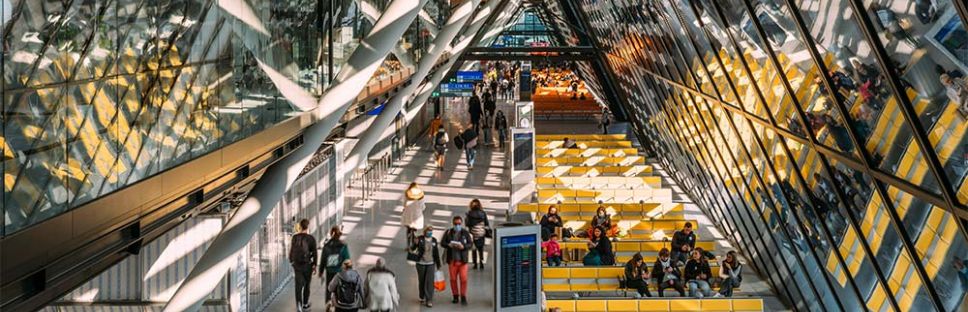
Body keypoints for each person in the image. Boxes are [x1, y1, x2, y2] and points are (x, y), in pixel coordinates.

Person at [441, 216, 473, 305]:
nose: (457, 225)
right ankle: (455, 296)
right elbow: (442, 243)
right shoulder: (448, 232)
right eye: (455, 224)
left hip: (463, 261)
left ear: (461, 224)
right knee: (453, 279)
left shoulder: (465, 233)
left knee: (464, 279)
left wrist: (463, 247)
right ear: (453, 224)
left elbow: (470, 244)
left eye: (459, 224)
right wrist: (449, 245)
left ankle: (463, 296)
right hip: (452, 261)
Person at [289, 218, 317, 312]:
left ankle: (299, 306)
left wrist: (292, 262)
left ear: (300, 227)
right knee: (307, 285)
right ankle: (305, 304)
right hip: (307, 265)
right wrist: (314, 265)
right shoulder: (311, 238)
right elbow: (315, 253)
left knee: (298, 286)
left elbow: (291, 251)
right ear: (308, 227)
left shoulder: (295, 237)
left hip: (297, 265)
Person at [411, 226, 441, 307]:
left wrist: (438, 264)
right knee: (422, 280)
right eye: (428, 231)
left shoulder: (434, 240)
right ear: (425, 231)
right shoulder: (420, 239)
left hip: (431, 263)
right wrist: (415, 243)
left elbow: (436, 253)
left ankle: (429, 299)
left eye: (431, 231)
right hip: (421, 263)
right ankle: (422, 295)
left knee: (430, 282)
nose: (430, 232)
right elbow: (412, 249)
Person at [320, 226, 351, 304]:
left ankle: (328, 302)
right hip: (339, 270)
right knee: (339, 287)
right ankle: (338, 302)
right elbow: (347, 259)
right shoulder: (343, 246)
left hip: (329, 270)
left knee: (329, 286)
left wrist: (321, 271)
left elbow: (323, 259)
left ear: (331, 234)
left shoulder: (326, 245)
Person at [466, 199, 490, 270]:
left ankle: (475, 264)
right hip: (481, 233)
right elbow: (486, 223)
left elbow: (467, 224)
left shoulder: (469, 213)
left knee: (474, 248)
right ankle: (481, 262)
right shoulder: (483, 213)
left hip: (473, 233)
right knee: (481, 248)